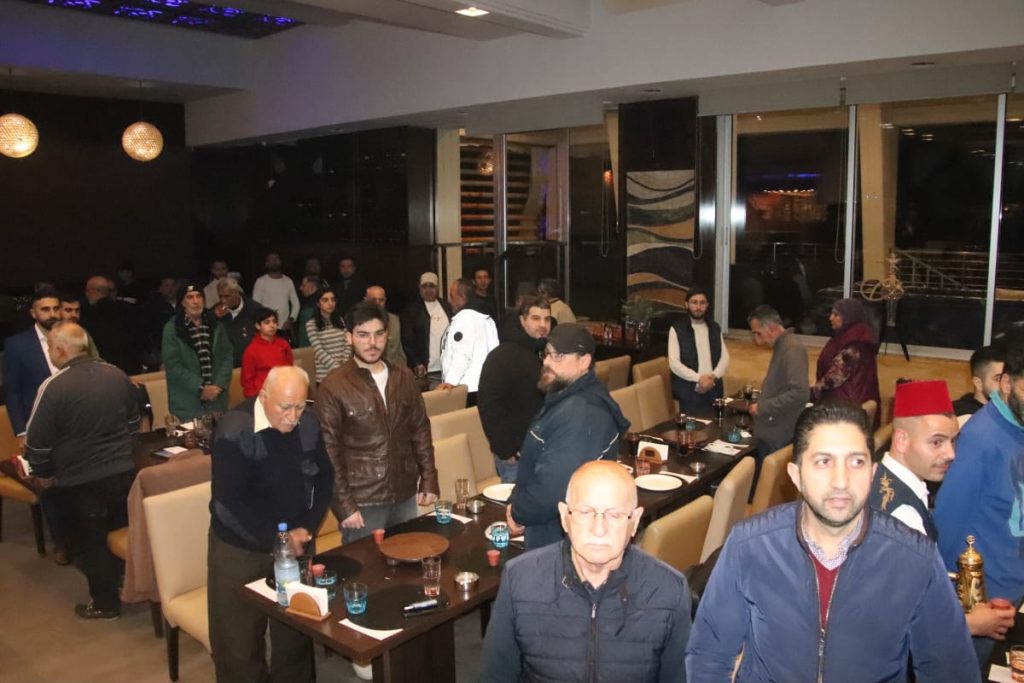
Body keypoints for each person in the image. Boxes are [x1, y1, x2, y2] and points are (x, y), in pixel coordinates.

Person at [685, 401, 979, 682]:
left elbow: (950, 670)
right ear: (796, 475)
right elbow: (708, 656)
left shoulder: (916, 558)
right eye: (823, 462)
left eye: (856, 462)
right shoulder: (750, 545)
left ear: (873, 473)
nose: (841, 481)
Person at [480, 461, 691, 683]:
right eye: (585, 512)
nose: (599, 529)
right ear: (565, 517)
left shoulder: (669, 590)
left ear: (635, 521)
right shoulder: (520, 580)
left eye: (614, 515)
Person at [207, 366, 334, 683]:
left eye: (301, 406)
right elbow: (228, 504)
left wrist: (308, 527)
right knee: (239, 645)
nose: (293, 417)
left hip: (297, 543)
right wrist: (278, 540)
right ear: (263, 396)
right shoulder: (234, 429)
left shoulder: (308, 423)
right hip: (241, 549)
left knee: (295, 634)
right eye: (285, 407)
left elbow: (325, 477)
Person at [870, 380, 1016, 645]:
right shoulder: (903, 515)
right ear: (901, 439)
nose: (950, 454)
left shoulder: (880, 475)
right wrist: (973, 624)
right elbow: (898, 617)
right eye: (936, 442)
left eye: (953, 441)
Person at [24, 322, 141, 620]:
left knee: (90, 543)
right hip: (122, 473)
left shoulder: (53, 387)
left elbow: (36, 442)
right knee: (119, 530)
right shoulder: (116, 374)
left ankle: (105, 603)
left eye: (51, 347)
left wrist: (42, 472)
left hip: (78, 479)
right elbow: (133, 423)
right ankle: (124, 581)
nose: (50, 352)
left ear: (61, 350)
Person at [315, 302, 439, 543]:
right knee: (365, 565)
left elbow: (420, 431)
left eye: (378, 334)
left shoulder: (403, 377)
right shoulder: (333, 386)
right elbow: (328, 451)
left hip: (404, 492)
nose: (372, 343)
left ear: (387, 335)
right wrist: (343, 505)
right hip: (362, 498)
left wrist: (429, 478)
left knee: (406, 558)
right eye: (363, 335)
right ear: (349, 337)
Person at [935, 341, 1024, 661]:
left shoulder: (1018, 424)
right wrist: (963, 611)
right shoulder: (981, 439)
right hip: (984, 608)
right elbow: (947, 524)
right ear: (1006, 383)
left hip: (1011, 596)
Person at [507, 323, 630, 550]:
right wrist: (516, 500)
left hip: (561, 544)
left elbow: (555, 490)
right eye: (546, 354)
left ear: (584, 362)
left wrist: (518, 510)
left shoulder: (581, 412)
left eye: (558, 356)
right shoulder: (566, 398)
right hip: (553, 532)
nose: (547, 362)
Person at [477, 296, 550, 483]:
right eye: (536, 318)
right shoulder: (501, 356)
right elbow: (488, 406)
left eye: (547, 319)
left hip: (542, 451)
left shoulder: (545, 353)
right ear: (522, 320)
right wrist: (505, 451)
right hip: (515, 458)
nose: (543, 325)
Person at [747, 304, 809, 473]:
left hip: (778, 434)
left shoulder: (792, 348)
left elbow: (800, 393)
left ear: (772, 327)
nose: (758, 341)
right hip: (773, 429)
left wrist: (763, 407)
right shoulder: (783, 345)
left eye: (758, 333)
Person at [162, 281, 233, 421]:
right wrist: (200, 387)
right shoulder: (172, 328)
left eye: (199, 296)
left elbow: (227, 356)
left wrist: (218, 385)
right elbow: (173, 365)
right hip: (188, 402)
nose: (195, 301)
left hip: (217, 400)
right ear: (182, 302)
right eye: (190, 297)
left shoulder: (215, 324)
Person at [3, 288, 62, 444]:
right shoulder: (17, 345)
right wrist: (21, 431)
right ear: (33, 313)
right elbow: (13, 390)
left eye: (56, 308)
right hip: (38, 422)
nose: (52, 314)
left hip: (74, 419)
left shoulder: (71, 338)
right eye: (45, 309)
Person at [812, 298, 881, 427]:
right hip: (849, 403)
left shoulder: (855, 343)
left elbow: (836, 375)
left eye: (836, 315)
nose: (830, 318)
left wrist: (815, 390)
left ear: (849, 317)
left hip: (848, 408)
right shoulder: (854, 336)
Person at [668, 286, 729, 414]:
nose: (698, 307)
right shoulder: (677, 329)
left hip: (713, 389)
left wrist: (712, 378)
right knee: (691, 426)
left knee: (716, 424)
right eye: (694, 302)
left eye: (702, 303)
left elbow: (725, 358)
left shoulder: (714, 327)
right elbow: (674, 363)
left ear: (707, 305)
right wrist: (699, 379)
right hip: (690, 392)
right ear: (686, 304)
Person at [439, 277, 499, 402]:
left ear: (462, 297)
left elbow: (462, 354)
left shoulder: (464, 319)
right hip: (486, 385)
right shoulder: (487, 319)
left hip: (465, 388)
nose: (449, 301)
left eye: (452, 296)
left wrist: (450, 382)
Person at [80, 275, 140, 374]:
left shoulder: (88, 314)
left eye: (87, 290)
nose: (86, 294)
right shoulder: (128, 309)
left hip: (103, 370)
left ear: (93, 291)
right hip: (131, 366)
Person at [400, 272, 452, 377]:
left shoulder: (447, 306)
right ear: (419, 288)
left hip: (448, 367)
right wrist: (416, 363)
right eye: (424, 286)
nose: (428, 290)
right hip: (425, 369)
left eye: (431, 286)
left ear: (437, 288)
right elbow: (407, 341)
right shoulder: (411, 310)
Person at [240, 307, 293, 398]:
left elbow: (290, 369)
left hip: (285, 390)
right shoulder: (251, 350)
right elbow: (247, 381)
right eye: (267, 322)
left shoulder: (283, 344)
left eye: (274, 322)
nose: (272, 325)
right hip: (262, 394)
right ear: (258, 326)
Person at [305, 286, 351, 383]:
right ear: (318, 303)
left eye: (333, 300)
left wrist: (344, 364)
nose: (330, 303)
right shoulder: (311, 324)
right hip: (325, 375)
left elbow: (347, 343)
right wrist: (337, 368)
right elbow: (319, 351)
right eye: (325, 300)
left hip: (344, 371)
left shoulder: (340, 320)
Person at [214, 277, 260, 367]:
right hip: (226, 366)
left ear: (236, 293)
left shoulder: (255, 310)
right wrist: (214, 317)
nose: (223, 300)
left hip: (250, 364)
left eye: (227, 296)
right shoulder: (215, 312)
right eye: (220, 296)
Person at [252, 252, 299, 338]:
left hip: (284, 327)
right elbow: (255, 305)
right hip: (266, 327)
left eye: (276, 259)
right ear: (266, 264)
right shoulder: (260, 281)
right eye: (271, 260)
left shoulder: (288, 281)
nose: (274, 261)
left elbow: (296, 304)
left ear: (281, 262)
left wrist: (290, 320)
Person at [953, 344, 1006, 416]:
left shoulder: (1010, 411)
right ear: (978, 383)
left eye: (1010, 379)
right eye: (998, 379)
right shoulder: (966, 416)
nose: (1007, 385)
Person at [365, 285, 407, 368]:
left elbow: (399, 350)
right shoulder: (359, 322)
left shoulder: (394, 320)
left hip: (393, 368)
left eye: (381, 300)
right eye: (374, 300)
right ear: (366, 300)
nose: (377, 303)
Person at [58, 292, 99, 358]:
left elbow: (95, 358)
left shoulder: (83, 333)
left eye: (77, 310)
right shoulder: (50, 333)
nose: (74, 315)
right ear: (58, 311)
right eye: (68, 310)